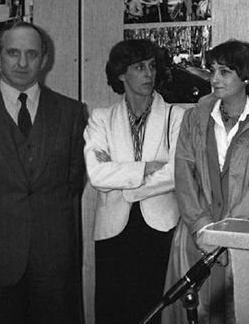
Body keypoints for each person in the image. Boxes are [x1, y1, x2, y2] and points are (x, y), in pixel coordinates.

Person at [162, 40, 249, 324]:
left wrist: (225, 235)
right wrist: (202, 230)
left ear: (246, 76)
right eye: (212, 71)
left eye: (224, 72)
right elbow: (184, 174)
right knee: (192, 312)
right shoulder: (194, 117)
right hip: (195, 238)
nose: (214, 79)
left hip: (244, 238)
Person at [0, 22, 86, 324]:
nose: (22, 63)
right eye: (13, 53)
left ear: (44, 60)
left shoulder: (71, 112)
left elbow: (73, 181)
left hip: (53, 263)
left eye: (32, 54)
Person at [84, 39, 185, 324]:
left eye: (152, 66)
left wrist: (124, 178)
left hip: (161, 229)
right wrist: (147, 168)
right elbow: (97, 175)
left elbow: (177, 172)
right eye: (139, 67)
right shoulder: (101, 119)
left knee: (157, 311)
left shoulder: (175, 116)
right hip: (113, 233)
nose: (148, 74)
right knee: (114, 312)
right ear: (120, 74)